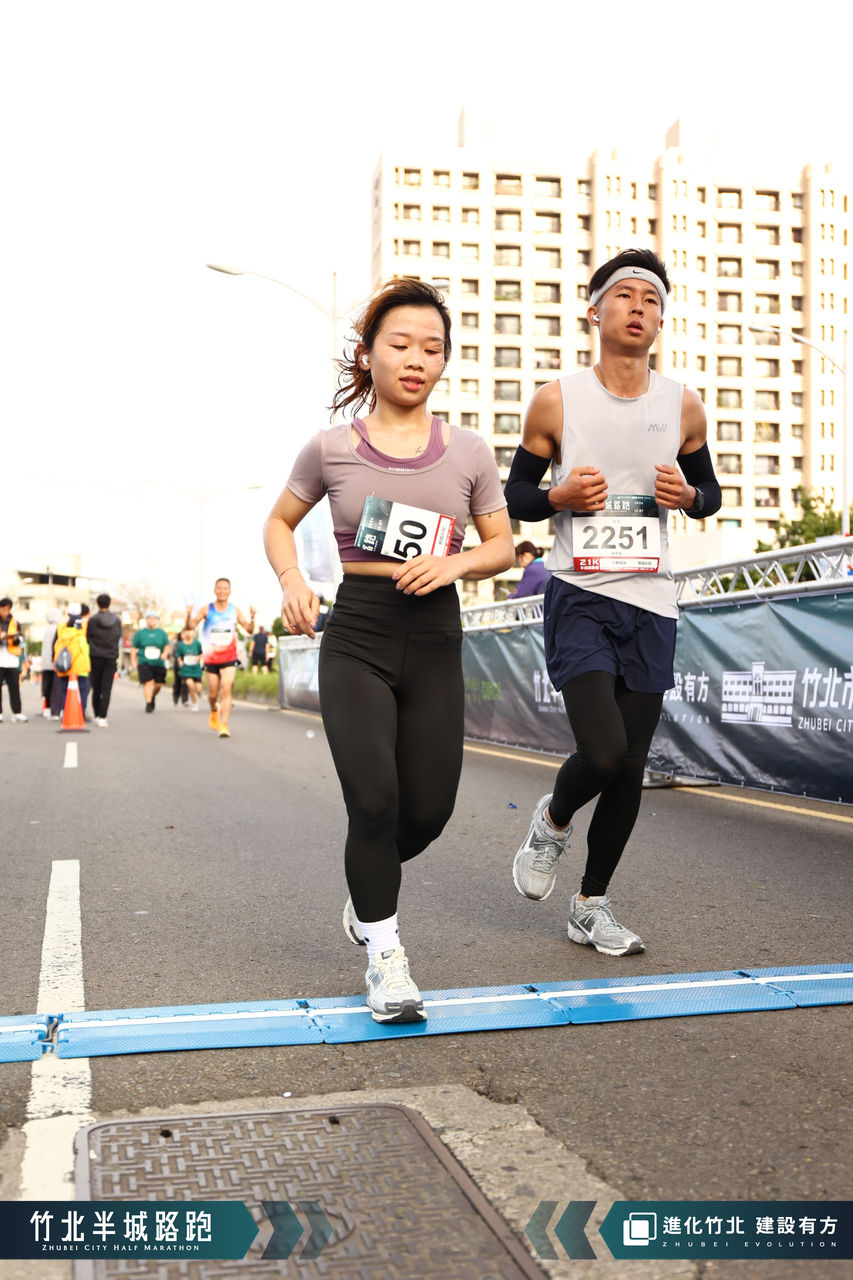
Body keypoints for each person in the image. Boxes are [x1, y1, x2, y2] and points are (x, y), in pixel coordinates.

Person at [264, 277, 514, 1024]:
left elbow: (501, 546)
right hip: (359, 636)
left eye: (431, 349)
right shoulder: (330, 449)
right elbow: (278, 523)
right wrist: (292, 581)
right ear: (367, 355)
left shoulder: (468, 450)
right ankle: (385, 955)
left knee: (426, 812)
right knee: (372, 801)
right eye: (400, 344)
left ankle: (366, 889)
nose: (416, 360)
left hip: (434, 635)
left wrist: (455, 563)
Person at [504, 248, 721, 956]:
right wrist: (558, 496)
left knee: (629, 766)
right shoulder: (557, 399)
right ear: (594, 312)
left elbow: (710, 494)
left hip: (651, 602)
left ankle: (590, 906)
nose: (638, 308)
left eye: (651, 300)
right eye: (624, 295)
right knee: (601, 751)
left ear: (660, 320)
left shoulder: (682, 404)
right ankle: (552, 821)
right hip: (580, 592)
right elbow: (515, 495)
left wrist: (688, 495)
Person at [186, 579, 255, 739]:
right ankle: (213, 709)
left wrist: (252, 618)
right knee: (213, 695)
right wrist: (189, 614)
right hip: (211, 657)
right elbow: (190, 626)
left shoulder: (235, 610)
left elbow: (249, 629)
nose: (222, 591)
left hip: (229, 656)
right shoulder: (206, 609)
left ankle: (224, 724)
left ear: (230, 591)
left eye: (225, 588)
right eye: (219, 588)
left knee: (227, 686)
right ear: (215, 590)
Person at [87, 593, 122, 726]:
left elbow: (87, 637)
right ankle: (103, 717)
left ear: (97, 604)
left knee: (96, 688)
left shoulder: (93, 620)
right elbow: (118, 636)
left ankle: (97, 715)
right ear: (109, 603)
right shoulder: (116, 620)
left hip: (95, 657)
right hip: (111, 657)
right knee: (106, 689)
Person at [53, 603, 91, 717]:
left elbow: (54, 646)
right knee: (82, 689)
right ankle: (80, 713)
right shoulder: (85, 628)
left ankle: (66, 712)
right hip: (81, 666)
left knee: (65, 690)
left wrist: (54, 661)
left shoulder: (61, 629)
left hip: (64, 665)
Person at [131, 611, 170, 712]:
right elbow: (134, 648)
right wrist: (133, 661)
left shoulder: (162, 633)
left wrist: (165, 653)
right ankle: (148, 703)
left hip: (158, 662)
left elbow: (167, 646)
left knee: (158, 684)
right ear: (146, 620)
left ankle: (152, 696)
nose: (151, 620)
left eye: (154, 618)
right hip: (144, 661)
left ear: (157, 620)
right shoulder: (140, 633)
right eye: (149, 618)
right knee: (148, 681)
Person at [0, 597, 27, 723]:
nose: (5, 612)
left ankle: (17, 712)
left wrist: (15, 639)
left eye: (8, 609)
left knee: (14, 687)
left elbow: (20, 638)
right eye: (3, 609)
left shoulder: (15, 622)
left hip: (12, 660)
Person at [174, 626, 203, 711]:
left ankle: (198, 694)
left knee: (199, 690)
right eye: (187, 631)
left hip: (196, 669)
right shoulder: (181, 644)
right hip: (186, 669)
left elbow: (202, 653)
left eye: (191, 631)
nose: (189, 633)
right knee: (190, 685)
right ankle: (195, 703)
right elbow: (178, 655)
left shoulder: (197, 643)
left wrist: (198, 657)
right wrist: (180, 661)